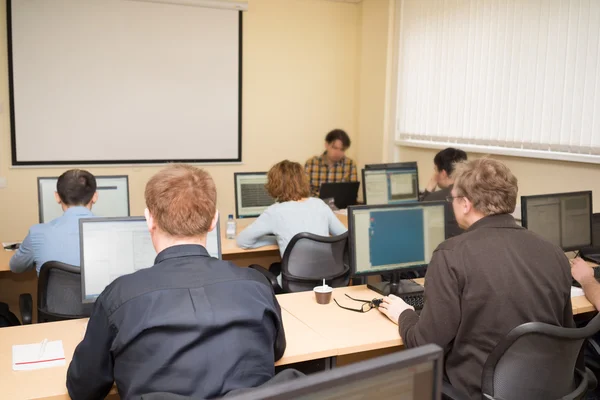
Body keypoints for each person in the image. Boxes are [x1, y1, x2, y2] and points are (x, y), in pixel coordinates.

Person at [67, 165, 286, 400]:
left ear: (149, 219)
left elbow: (83, 389)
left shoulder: (118, 298)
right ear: (214, 220)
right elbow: (276, 350)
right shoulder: (257, 284)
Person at [378, 158, 574, 398]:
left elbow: (425, 344)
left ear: (466, 204)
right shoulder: (553, 252)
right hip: (548, 387)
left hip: (478, 389)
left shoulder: (451, 254)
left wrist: (404, 314)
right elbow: (566, 330)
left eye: (453, 198)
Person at [237, 160, 347, 263]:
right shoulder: (319, 204)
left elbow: (243, 241)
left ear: (274, 185)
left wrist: (276, 239)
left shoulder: (274, 212)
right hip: (327, 278)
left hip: (296, 281)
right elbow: (345, 235)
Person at [10, 169, 98, 274]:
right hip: (106, 291)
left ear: (57, 197)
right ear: (95, 197)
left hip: (57, 291)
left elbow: (16, 267)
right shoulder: (117, 231)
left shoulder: (37, 233)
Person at [304, 129, 358, 196]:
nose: (338, 153)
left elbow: (352, 194)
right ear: (326, 145)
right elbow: (304, 193)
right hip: (316, 205)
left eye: (342, 149)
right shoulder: (311, 164)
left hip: (341, 206)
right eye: (335, 148)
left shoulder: (350, 165)